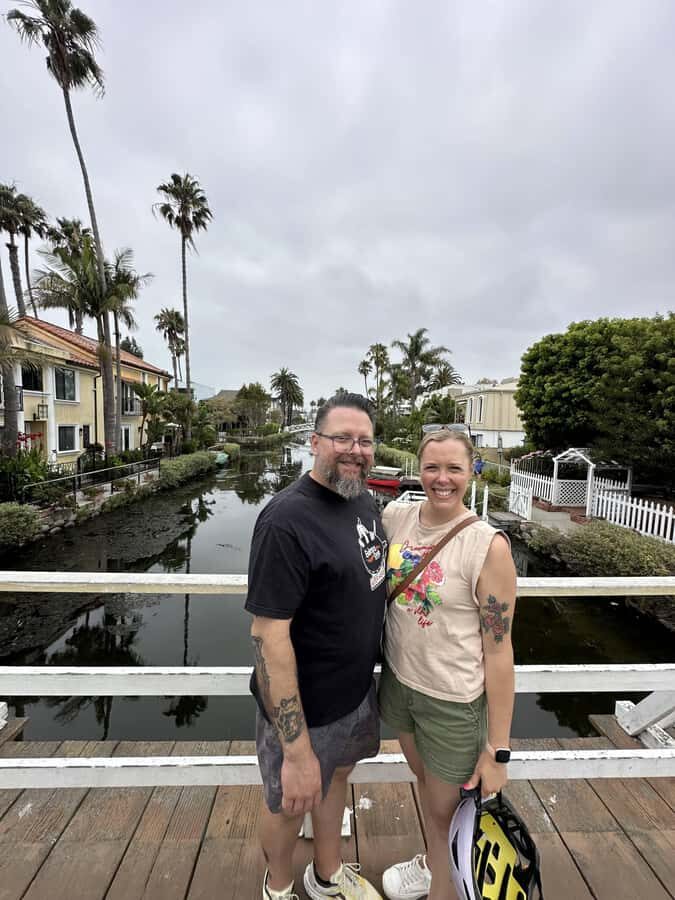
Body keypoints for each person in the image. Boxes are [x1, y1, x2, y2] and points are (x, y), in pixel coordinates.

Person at [246, 393, 387, 900]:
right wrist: (296, 747)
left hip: (354, 693)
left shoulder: (363, 499)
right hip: (303, 709)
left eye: (365, 440)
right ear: (315, 443)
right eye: (341, 438)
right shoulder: (286, 520)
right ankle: (279, 887)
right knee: (290, 804)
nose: (355, 449)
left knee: (336, 782)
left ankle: (327, 875)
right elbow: (268, 635)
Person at [378, 429, 517, 900]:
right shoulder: (398, 517)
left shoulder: (487, 546)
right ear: (419, 470)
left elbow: (499, 651)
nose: (442, 479)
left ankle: (444, 882)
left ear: (471, 471)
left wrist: (498, 750)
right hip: (400, 685)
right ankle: (436, 863)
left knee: (446, 817)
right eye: (432, 468)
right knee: (426, 788)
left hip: (451, 704)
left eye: (454, 468)